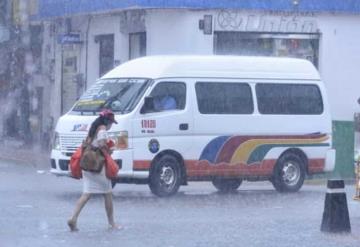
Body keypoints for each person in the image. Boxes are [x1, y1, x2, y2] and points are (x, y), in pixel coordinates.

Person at [67, 109, 120, 231]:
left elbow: (89, 144)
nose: (111, 125)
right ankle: (112, 223)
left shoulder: (93, 129)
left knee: (86, 194)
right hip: (98, 166)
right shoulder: (102, 130)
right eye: (111, 122)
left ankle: (73, 218)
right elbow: (101, 144)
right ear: (107, 121)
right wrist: (109, 149)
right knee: (107, 193)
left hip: (87, 165)